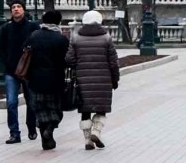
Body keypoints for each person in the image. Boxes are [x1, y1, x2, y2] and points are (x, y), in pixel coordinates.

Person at [66, 10, 119, 151]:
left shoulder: (76, 38)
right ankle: (97, 131)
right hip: (104, 79)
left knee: (85, 110)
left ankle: (88, 139)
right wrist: (115, 79)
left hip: (82, 80)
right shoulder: (106, 38)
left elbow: (69, 59)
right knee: (101, 108)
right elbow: (113, 62)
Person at [27, 10, 70, 150]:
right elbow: (67, 60)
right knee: (55, 108)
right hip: (55, 79)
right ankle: (50, 129)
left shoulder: (34, 36)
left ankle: (46, 142)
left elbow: (25, 52)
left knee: (40, 109)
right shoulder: (61, 39)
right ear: (58, 22)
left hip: (35, 79)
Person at [0, 0, 38, 145]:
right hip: (11, 71)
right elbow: (0, 48)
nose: (16, 9)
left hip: (29, 71)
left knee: (32, 102)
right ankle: (14, 133)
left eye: (19, 7)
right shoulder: (6, 28)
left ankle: (31, 127)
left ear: (23, 10)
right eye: (14, 7)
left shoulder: (33, 26)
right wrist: (6, 61)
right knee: (11, 102)